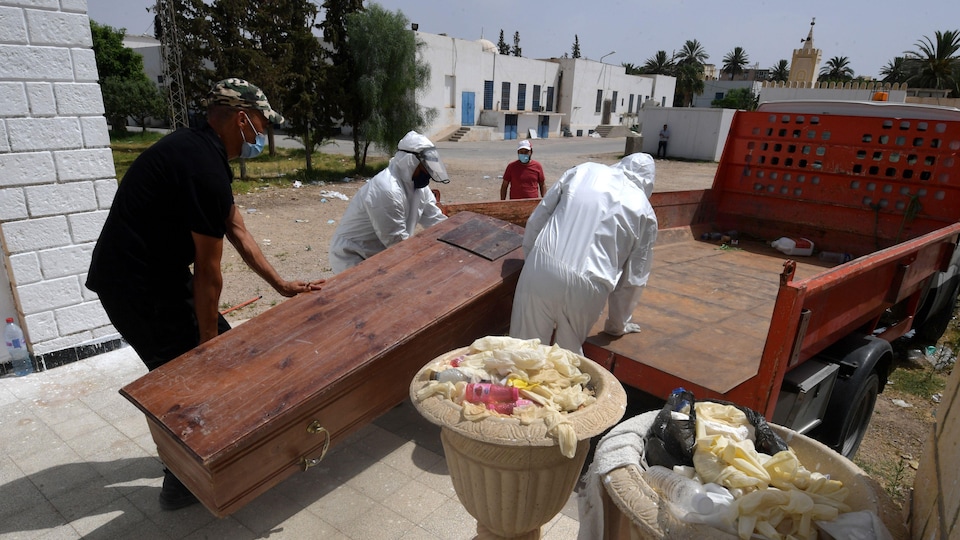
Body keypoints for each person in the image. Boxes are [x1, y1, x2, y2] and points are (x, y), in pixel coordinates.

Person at [86, 78, 325, 511]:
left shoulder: (201, 151)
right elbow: (209, 273)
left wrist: (280, 284)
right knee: (189, 382)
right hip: (135, 286)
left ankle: (212, 457)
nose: (265, 133)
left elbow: (237, 229)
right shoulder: (202, 167)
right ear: (241, 119)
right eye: (262, 123)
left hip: (154, 277)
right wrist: (207, 344)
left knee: (219, 362)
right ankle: (182, 484)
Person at [509, 153, 658, 355]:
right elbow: (632, 279)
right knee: (565, 363)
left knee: (522, 353)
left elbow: (537, 220)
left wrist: (532, 265)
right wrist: (617, 325)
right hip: (589, 285)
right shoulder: (645, 210)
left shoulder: (584, 170)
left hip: (542, 265)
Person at [328, 131, 450, 273]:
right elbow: (397, 243)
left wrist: (457, 238)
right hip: (354, 257)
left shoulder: (419, 189)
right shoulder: (387, 189)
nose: (427, 172)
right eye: (424, 166)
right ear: (410, 162)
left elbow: (437, 222)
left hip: (380, 256)